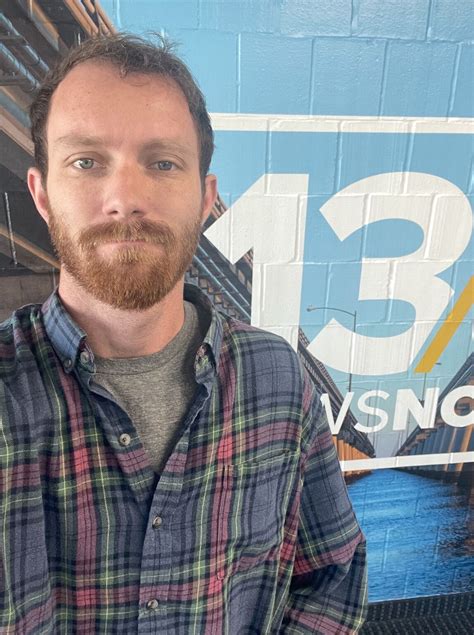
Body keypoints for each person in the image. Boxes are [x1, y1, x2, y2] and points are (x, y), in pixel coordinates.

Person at [0, 33, 367, 634]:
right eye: (86, 161)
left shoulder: (277, 380)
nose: (125, 199)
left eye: (162, 163)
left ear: (204, 198)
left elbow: (332, 576)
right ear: (42, 194)